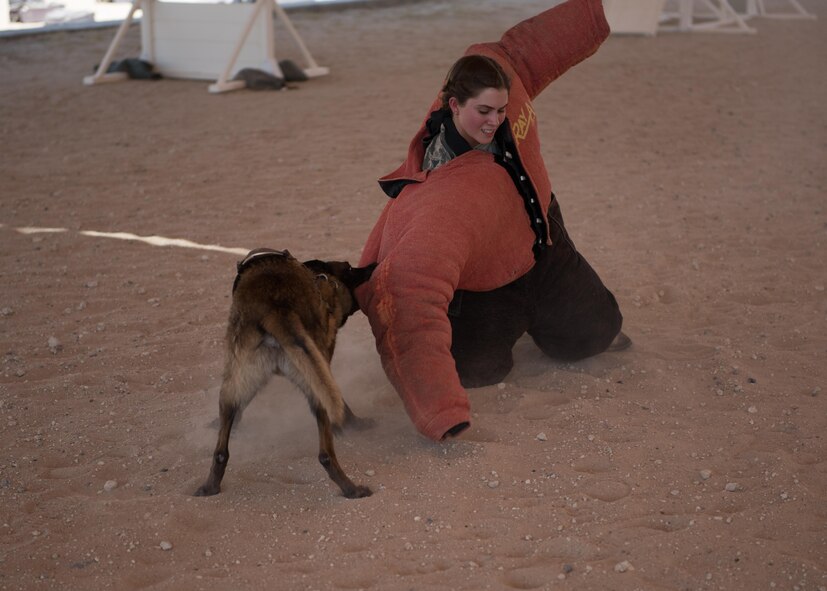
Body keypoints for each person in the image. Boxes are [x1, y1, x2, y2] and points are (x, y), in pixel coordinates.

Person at [356, 0, 629, 442]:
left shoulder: (496, 75)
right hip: (487, 284)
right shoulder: (442, 202)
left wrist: (593, 13)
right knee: (479, 372)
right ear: (453, 104)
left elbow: (522, 52)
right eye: (483, 112)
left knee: (593, 336)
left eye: (500, 111)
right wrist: (440, 411)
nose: (494, 122)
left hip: (544, 242)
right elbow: (404, 293)